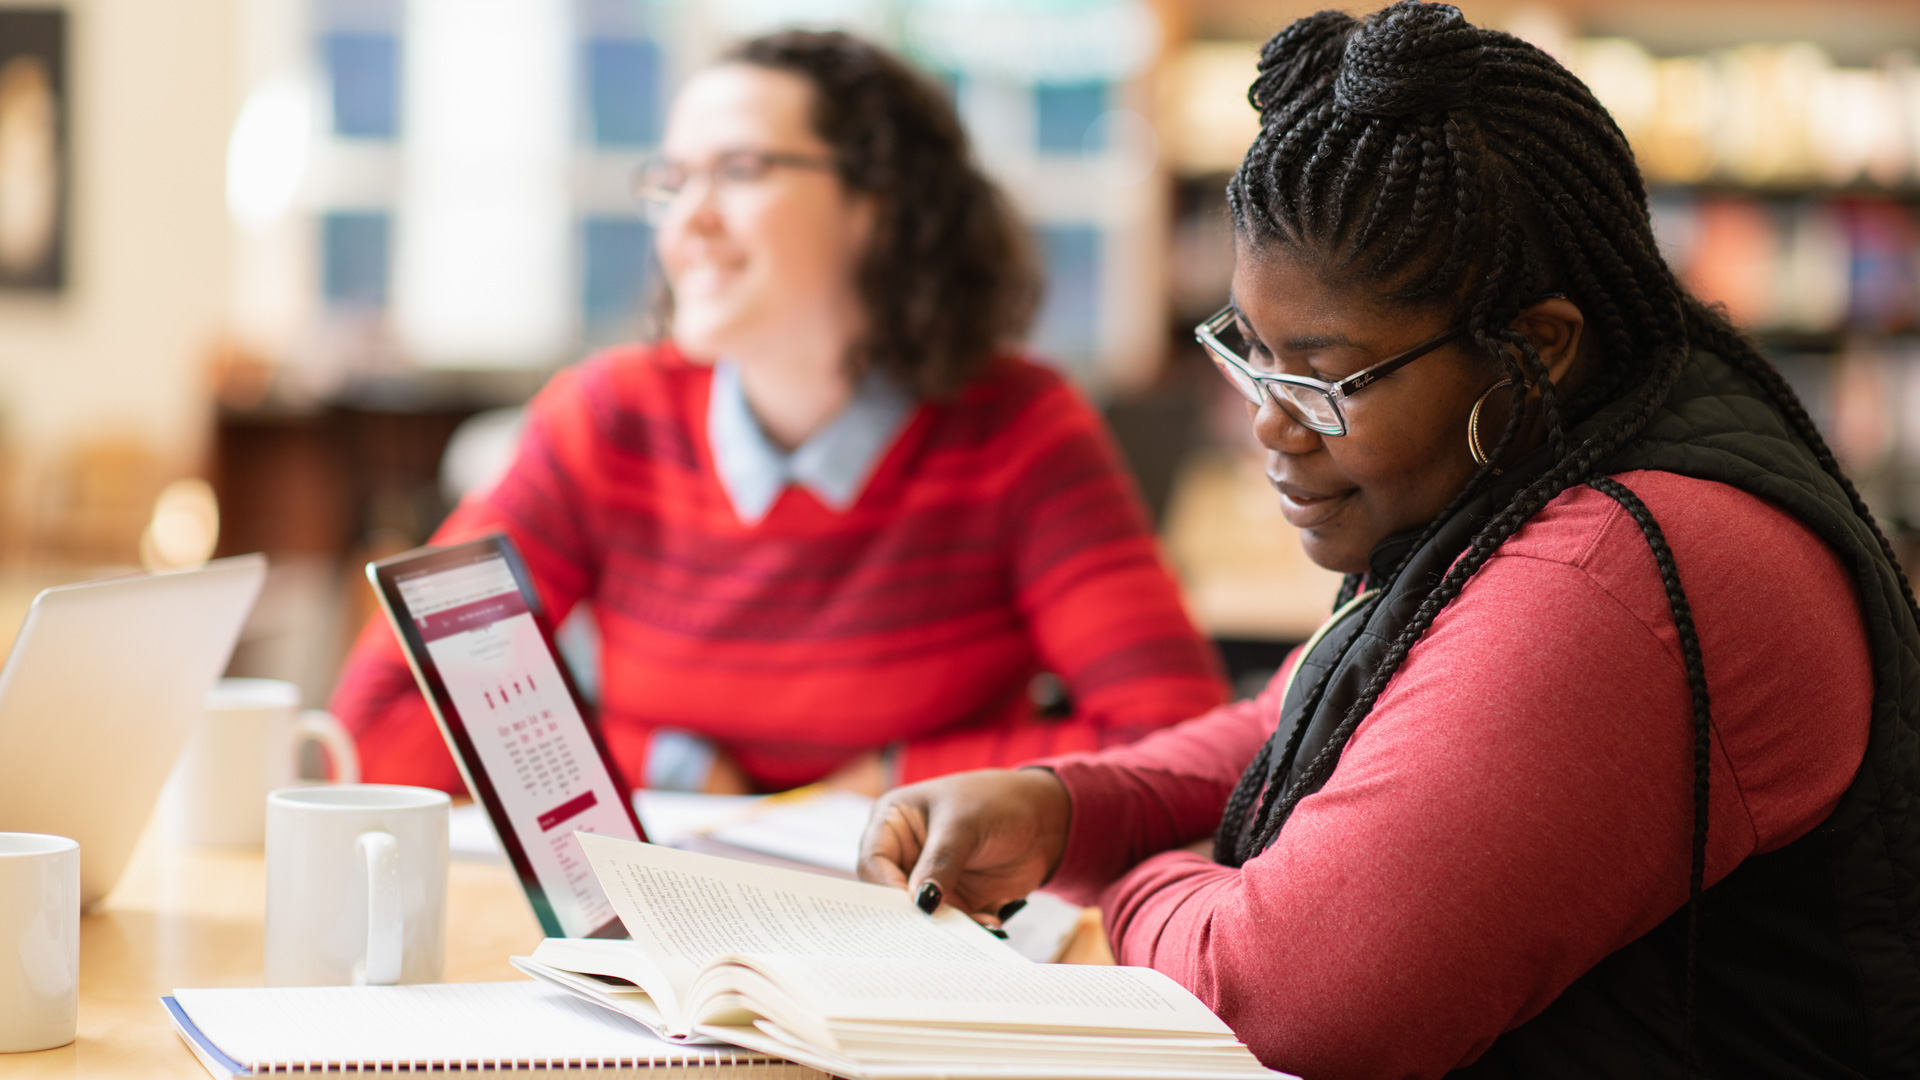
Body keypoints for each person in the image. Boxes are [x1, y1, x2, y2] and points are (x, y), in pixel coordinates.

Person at [858, 4, 1920, 1077]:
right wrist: (1071, 807)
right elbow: (1314, 712)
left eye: (1323, 378)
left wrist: (1142, 872)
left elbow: (1286, 1000)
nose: (1267, 423)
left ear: (1537, 349)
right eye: (1251, 354)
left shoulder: (1614, 574)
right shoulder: (1550, 457)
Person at [330, 31, 1225, 797]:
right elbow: (379, 727)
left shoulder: (1018, 429)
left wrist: (890, 778)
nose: (690, 221)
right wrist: (667, 764)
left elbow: (1176, 745)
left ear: (877, 204)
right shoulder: (606, 419)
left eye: (740, 170)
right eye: (672, 181)